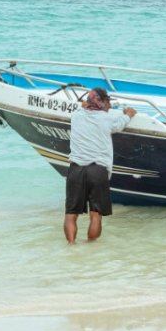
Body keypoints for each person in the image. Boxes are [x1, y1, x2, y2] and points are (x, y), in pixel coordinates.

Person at [64, 87, 136, 244]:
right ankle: (91, 247)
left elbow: (83, 105)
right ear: (102, 103)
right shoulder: (107, 120)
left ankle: (71, 246)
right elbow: (120, 124)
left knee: (71, 214)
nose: (109, 105)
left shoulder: (75, 116)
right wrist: (129, 114)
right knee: (95, 215)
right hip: (97, 170)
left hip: (76, 169)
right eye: (108, 102)